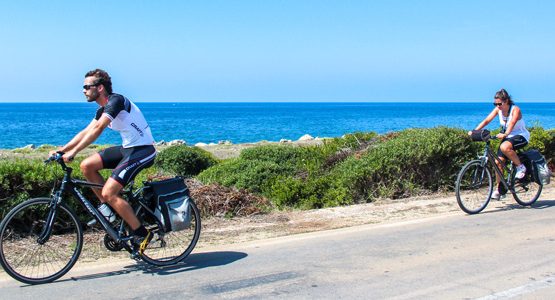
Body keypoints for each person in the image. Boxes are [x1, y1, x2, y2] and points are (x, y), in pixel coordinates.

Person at [50, 69, 156, 257]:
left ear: (99, 88)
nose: (83, 90)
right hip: (128, 148)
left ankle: (142, 233)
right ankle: (110, 211)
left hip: (143, 150)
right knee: (86, 166)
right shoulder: (102, 109)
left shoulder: (116, 101)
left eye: (86, 87)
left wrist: (74, 152)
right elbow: (85, 131)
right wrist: (63, 150)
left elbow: (98, 129)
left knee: (109, 191)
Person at [469, 88, 530, 199]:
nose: (497, 106)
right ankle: (500, 189)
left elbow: (512, 123)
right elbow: (487, 120)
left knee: (504, 146)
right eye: (495, 104)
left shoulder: (515, 110)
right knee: (498, 162)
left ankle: (521, 167)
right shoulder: (498, 110)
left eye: (499, 103)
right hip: (508, 136)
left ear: (506, 101)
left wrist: (505, 134)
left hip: (521, 136)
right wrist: (475, 131)